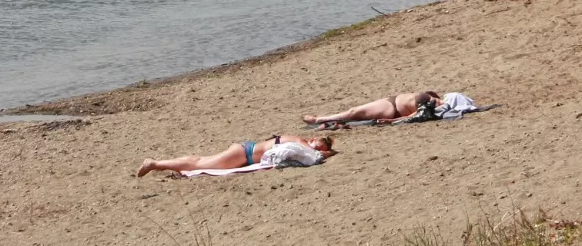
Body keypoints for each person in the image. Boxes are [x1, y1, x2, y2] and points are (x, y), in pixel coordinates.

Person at [135, 133, 334, 177]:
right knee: (198, 164)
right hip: (244, 154)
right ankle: (154, 163)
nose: (317, 149)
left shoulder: (297, 142)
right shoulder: (299, 140)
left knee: (201, 161)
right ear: (313, 139)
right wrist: (329, 151)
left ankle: (158, 163)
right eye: (319, 144)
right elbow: (312, 154)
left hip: (244, 151)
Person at [302, 91, 441, 126]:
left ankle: (319, 119)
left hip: (391, 108)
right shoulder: (430, 100)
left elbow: (415, 116)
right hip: (391, 103)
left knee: (353, 112)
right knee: (354, 113)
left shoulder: (429, 102)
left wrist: (391, 121)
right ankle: (320, 119)